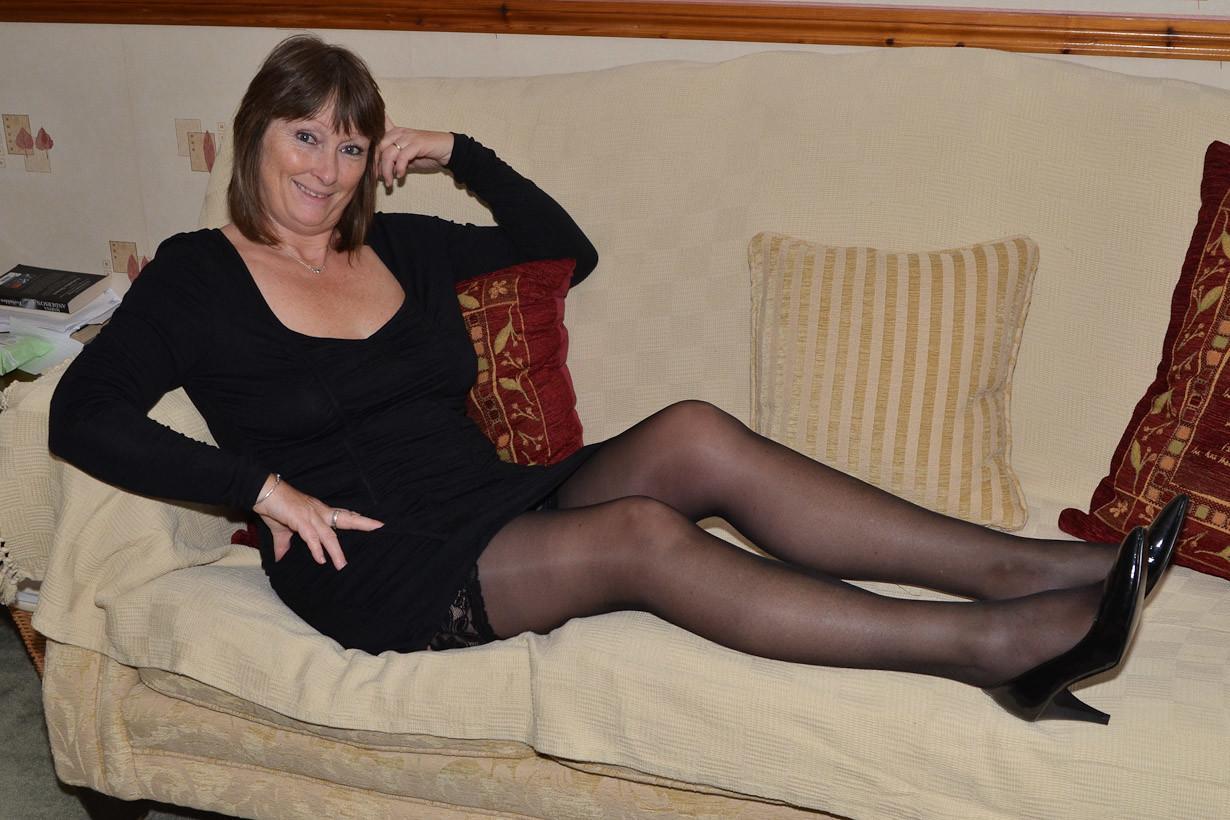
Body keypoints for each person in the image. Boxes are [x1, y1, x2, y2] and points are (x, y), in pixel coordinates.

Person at [48, 35, 1185, 725]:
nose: (327, 169)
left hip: (490, 498)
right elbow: (80, 414)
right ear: (257, 135)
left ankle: (1045, 568)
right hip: (373, 557)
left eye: (351, 146)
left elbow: (564, 252)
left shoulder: (403, 245)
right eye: (306, 137)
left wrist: (460, 153)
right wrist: (256, 489)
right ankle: (992, 648)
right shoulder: (198, 275)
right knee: (642, 536)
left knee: (691, 430)